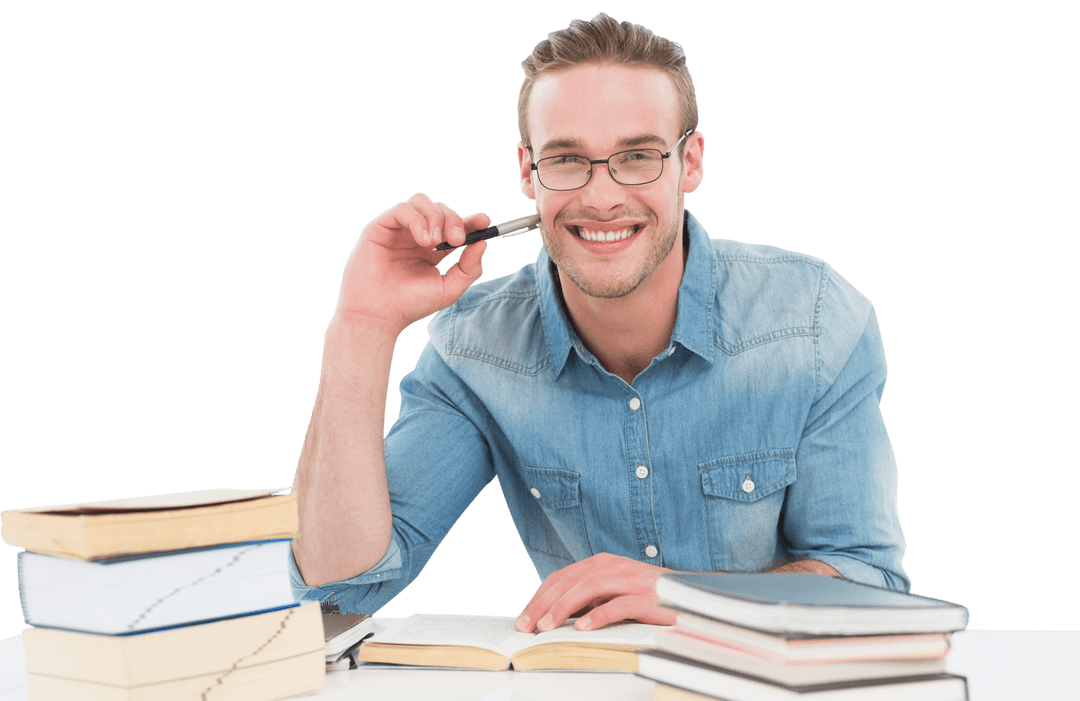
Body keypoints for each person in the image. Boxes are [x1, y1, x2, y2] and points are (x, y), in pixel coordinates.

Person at [289, 12, 908, 634]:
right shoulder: (473, 349)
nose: (603, 196)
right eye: (567, 160)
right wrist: (362, 324)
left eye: (637, 156)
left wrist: (684, 596)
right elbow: (341, 583)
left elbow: (868, 583)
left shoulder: (816, 322)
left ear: (689, 162)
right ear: (529, 173)